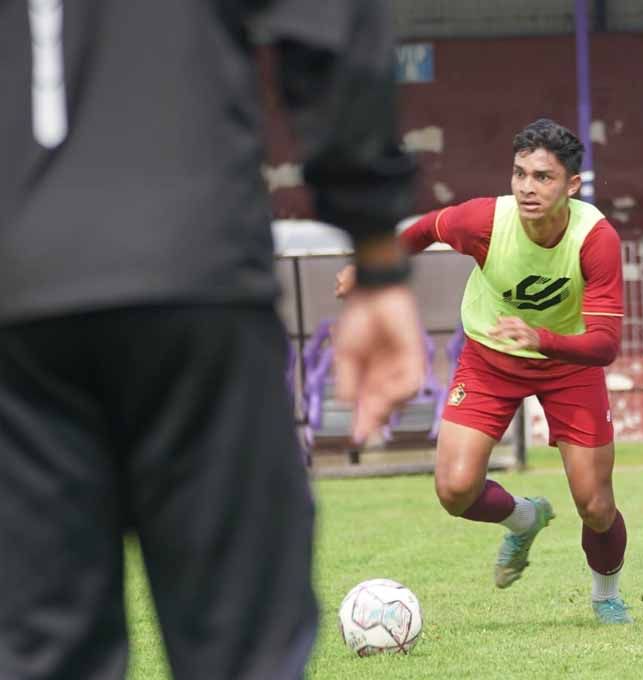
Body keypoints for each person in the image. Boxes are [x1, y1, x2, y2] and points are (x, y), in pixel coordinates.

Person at [0, 1, 424, 678]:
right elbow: (331, 26)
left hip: (17, 297)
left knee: (40, 654)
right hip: (194, 268)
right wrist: (375, 244)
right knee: (243, 651)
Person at [337, 118, 633, 624]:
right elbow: (425, 228)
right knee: (454, 489)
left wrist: (542, 339)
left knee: (596, 506)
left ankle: (606, 595)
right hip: (489, 358)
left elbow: (605, 345)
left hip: (568, 365)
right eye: (520, 174)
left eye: (543, 177)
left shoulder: (596, 239)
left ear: (573, 186)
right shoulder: (486, 221)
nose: (526, 188)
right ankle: (525, 517)